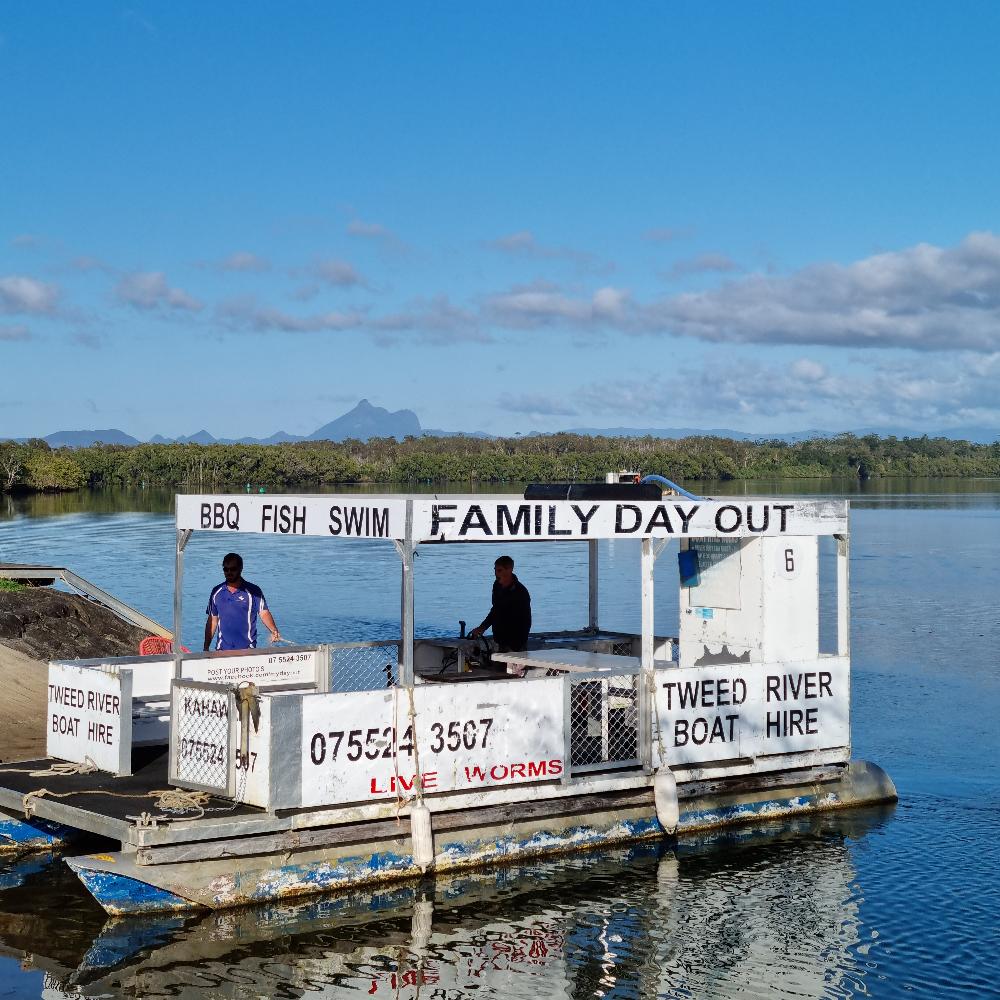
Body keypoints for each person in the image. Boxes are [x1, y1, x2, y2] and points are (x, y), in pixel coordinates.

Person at [204, 552, 282, 651]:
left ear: (241, 568)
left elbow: (264, 613)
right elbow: (212, 620)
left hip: (247, 650)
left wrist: (273, 630)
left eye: (233, 569)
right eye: (226, 569)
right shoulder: (216, 592)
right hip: (222, 650)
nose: (229, 572)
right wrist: (206, 648)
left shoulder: (254, 591)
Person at [469, 555, 531, 652]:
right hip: (500, 639)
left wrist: (517, 645)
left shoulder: (520, 592)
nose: (496, 574)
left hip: (516, 642)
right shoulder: (497, 585)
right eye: (495, 570)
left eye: (499, 570)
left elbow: (525, 620)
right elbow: (496, 609)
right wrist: (482, 627)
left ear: (509, 570)